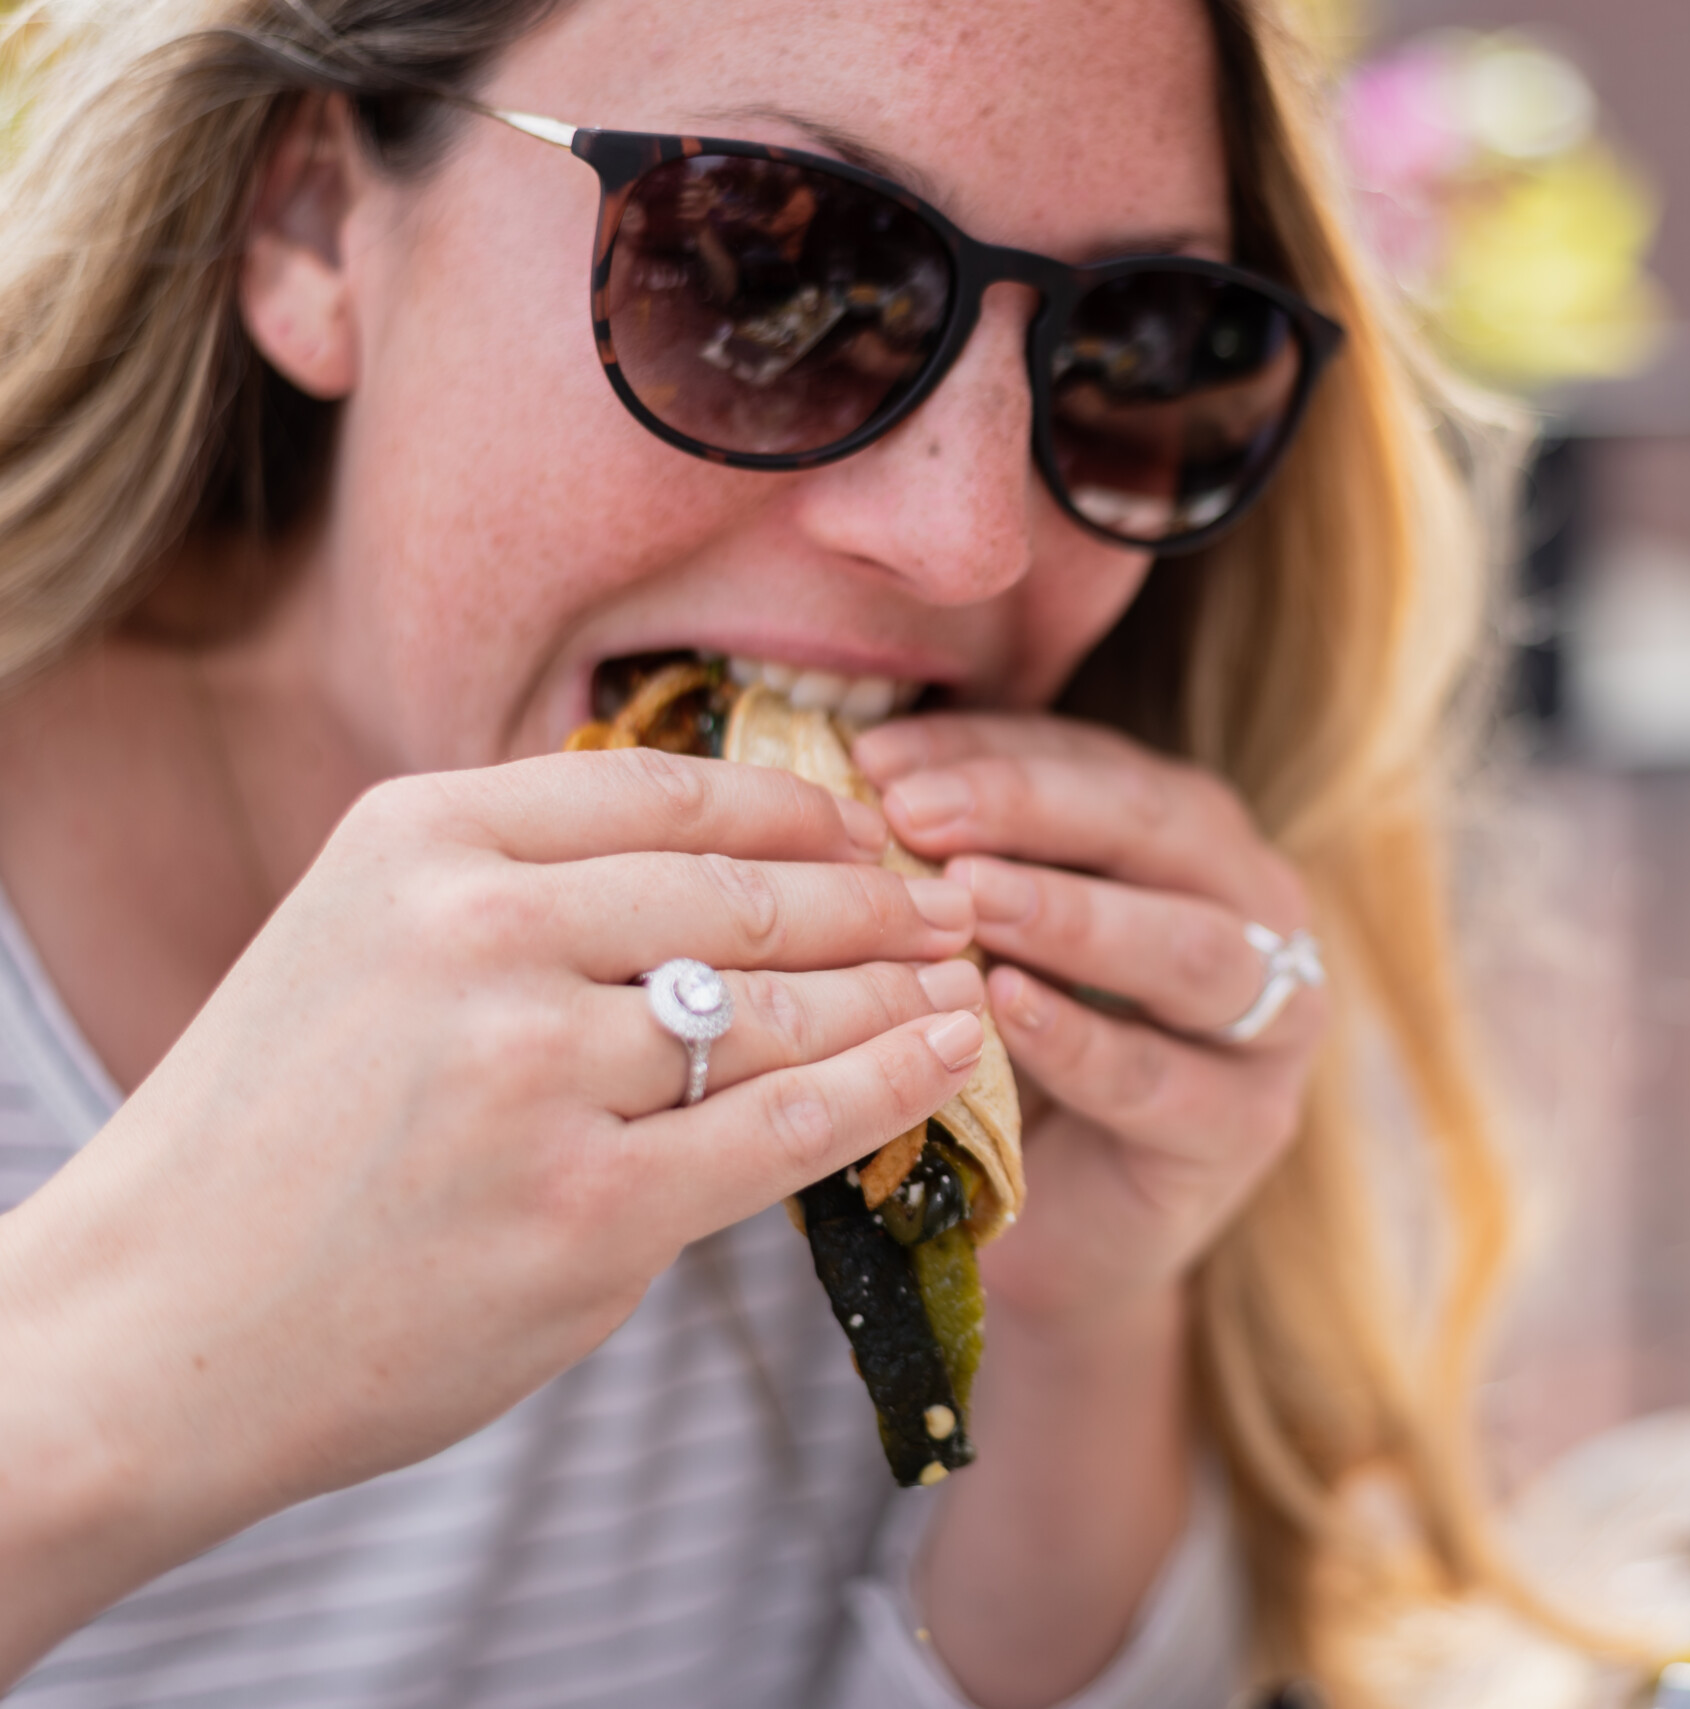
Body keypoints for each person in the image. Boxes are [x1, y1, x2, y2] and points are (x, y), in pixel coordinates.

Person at [0, 0, 1523, 1703]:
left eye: (1136, 348)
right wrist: (117, 1374)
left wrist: (1080, 1333)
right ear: (311, 227)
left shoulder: (1025, 1044)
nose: (972, 542)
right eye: (767, 277)